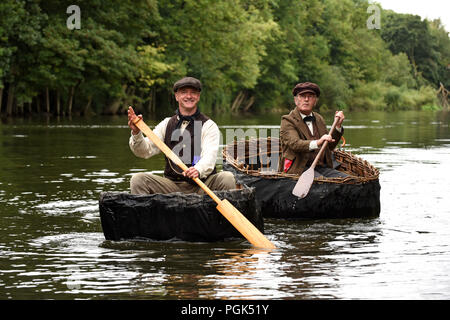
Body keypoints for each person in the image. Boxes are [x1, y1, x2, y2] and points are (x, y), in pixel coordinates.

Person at [127, 76, 236, 195]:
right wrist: (137, 133)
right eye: (184, 92)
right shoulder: (166, 123)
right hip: (171, 186)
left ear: (198, 97)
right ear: (176, 96)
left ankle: (220, 212)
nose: (189, 96)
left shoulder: (209, 125)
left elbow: (210, 156)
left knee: (227, 177)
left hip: (203, 186)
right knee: (138, 179)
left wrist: (197, 170)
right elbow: (144, 151)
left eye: (193, 93)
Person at [279, 82, 347, 178]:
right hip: (298, 168)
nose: (306, 100)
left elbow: (329, 146)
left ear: (315, 101)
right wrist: (318, 142)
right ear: (296, 100)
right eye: (302, 96)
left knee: (349, 180)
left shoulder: (319, 118)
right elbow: (295, 144)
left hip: (321, 167)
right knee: (324, 183)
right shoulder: (287, 120)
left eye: (310, 96)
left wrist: (338, 127)